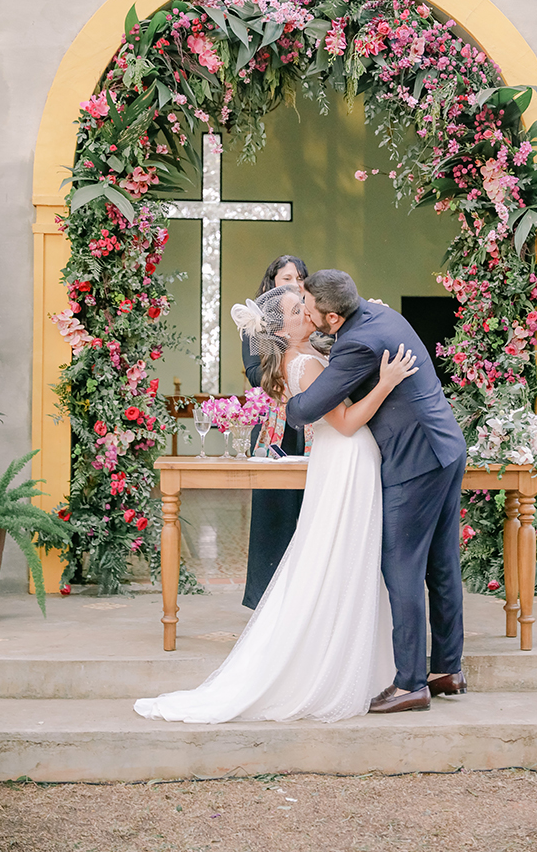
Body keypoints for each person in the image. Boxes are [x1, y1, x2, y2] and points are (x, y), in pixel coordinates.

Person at [134, 285, 417, 723]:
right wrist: (387, 383)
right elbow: (343, 423)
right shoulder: (302, 365)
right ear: (282, 329)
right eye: (295, 308)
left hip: (348, 463)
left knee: (343, 558)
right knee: (339, 558)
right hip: (346, 459)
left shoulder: (305, 356)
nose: (305, 310)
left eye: (303, 303)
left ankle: (355, 661)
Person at [286, 270, 468, 714]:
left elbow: (305, 409)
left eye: (307, 305)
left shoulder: (357, 345)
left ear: (331, 316)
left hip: (415, 462)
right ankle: (446, 668)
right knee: (441, 564)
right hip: (446, 446)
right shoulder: (380, 315)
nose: (303, 309)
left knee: (401, 566)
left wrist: (289, 395)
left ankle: (410, 683)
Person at [241, 255, 310, 610]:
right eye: (287, 277)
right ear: (271, 282)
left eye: (300, 278)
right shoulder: (256, 326)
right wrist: (285, 358)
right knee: (274, 514)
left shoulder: (314, 322)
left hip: (313, 425)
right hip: (275, 427)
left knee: (311, 514)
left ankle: (304, 601)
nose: (295, 284)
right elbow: (254, 373)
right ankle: (264, 601)